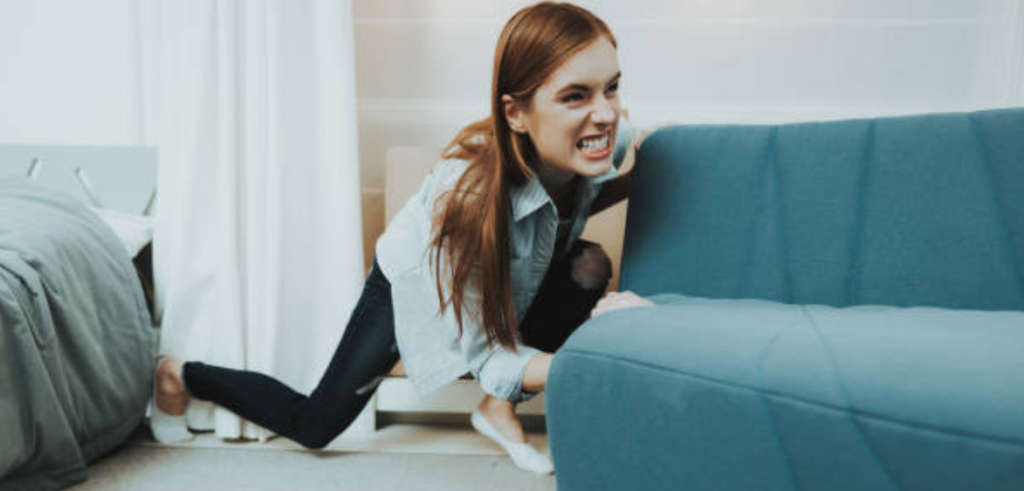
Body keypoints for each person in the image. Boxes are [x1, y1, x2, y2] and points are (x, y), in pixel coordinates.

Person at [153, 1, 655, 475]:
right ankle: (181, 374)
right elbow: (491, 359)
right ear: (516, 114)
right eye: (575, 96)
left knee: (587, 263)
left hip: (512, 270)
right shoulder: (466, 204)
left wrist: (651, 168)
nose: (607, 113)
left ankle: (496, 412)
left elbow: (568, 206)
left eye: (610, 87)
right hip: (412, 287)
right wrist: (599, 359)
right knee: (315, 425)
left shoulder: (599, 140)